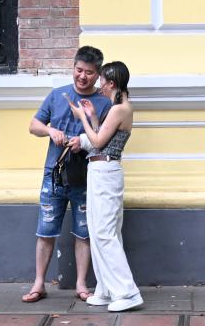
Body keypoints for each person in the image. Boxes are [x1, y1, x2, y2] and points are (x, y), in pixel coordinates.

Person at [24, 46, 112, 304]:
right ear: (73, 67)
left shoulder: (104, 103)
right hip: (53, 176)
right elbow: (33, 125)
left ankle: (81, 284)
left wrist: (82, 141)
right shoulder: (57, 95)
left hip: (86, 178)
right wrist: (50, 131)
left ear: (97, 75)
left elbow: (105, 141)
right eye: (78, 70)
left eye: (89, 72)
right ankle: (39, 283)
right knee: (45, 230)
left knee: (83, 233)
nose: (82, 76)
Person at [67, 60, 143, 312]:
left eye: (101, 80)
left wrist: (82, 118)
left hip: (106, 171)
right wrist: (92, 116)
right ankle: (107, 290)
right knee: (101, 231)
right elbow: (104, 138)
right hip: (102, 170)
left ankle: (128, 292)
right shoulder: (119, 108)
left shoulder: (120, 109)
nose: (99, 84)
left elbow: (98, 141)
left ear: (111, 83)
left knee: (104, 233)